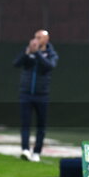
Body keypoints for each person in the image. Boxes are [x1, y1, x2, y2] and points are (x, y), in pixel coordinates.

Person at [13, 30, 59, 162]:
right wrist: (27, 53)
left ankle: (37, 152)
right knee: (25, 123)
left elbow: (49, 66)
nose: (36, 40)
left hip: (42, 95)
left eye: (39, 37)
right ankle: (25, 150)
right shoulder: (29, 51)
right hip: (26, 94)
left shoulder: (51, 54)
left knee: (41, 125)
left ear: (46, 39)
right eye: (35, 37)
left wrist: (37, 53)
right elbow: (16, 63)